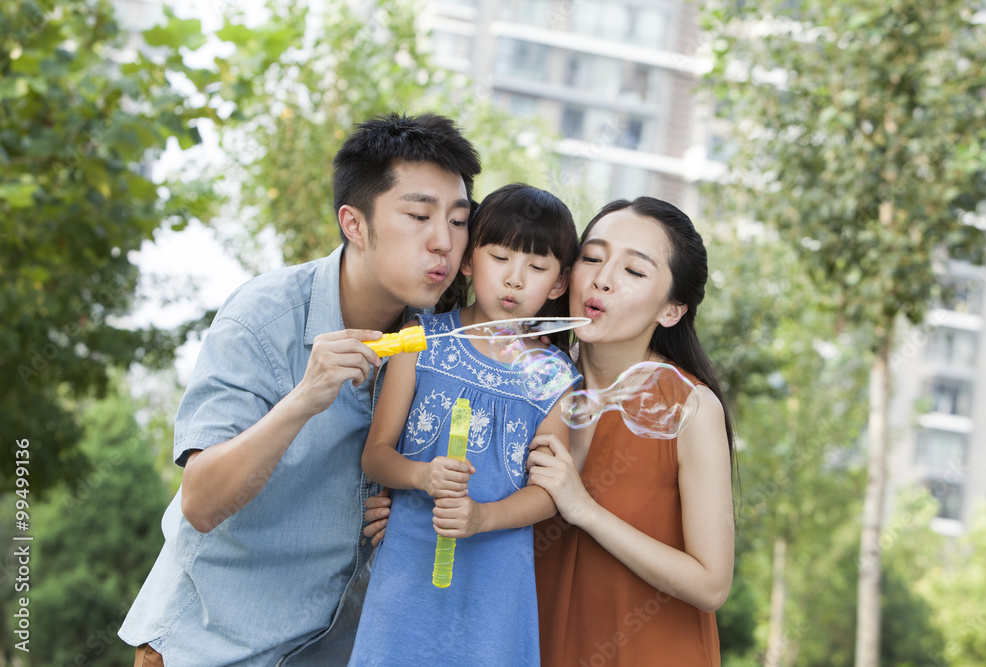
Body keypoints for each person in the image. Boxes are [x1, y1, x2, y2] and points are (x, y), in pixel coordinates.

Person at [118, 112, 481, 666]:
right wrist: (305, 398)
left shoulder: (443, 341)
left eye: (458, 222)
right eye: (418, 215)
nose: (443, 244)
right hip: (208, 649)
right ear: (355, 225)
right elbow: (201, 501)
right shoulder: (262, 320)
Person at [348, 184, 582, 666]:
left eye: (537, 268)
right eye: (500, 258)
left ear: (558, 284)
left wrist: (483, 518)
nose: (515, 280)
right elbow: (377, 453)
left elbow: (548, 492)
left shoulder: (555, 377)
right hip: (409, 565)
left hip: (497, 580)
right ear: (469, 259)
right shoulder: (420, 341)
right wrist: (420, 475)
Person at [527, 197, 736, 666]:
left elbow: (711, 584)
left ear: (671, 310)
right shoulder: (528, 380)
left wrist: (583, 508)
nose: (602, 279)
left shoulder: (691, 410)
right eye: (593, 257)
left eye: (634, 272)